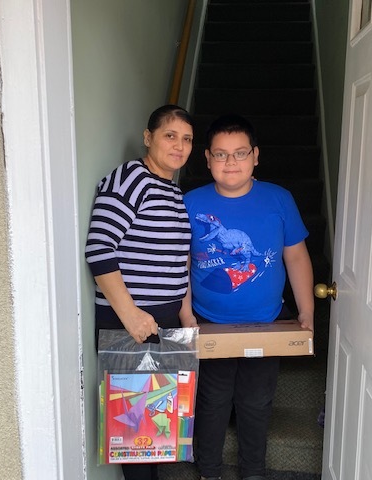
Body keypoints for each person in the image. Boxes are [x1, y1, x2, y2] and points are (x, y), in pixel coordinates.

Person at [180, 114, 314, 480]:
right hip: (208, 321)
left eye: (240, 153)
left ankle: (252, 471)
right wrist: (186, 313)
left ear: (255, 155)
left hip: (266, 321)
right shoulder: (189, 203)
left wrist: (307, 310)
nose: (231, 162)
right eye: (220, 155)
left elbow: (296, 255)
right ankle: (208, 470)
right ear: (207, 159)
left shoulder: (278, 199)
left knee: (256, 402)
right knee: (213, 400)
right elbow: (181, 263)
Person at [85, 104, 194, 480]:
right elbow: (99, 250)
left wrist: (186, 313)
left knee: (157, 425)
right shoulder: (129, 179)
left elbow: (178, 259)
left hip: (163, 320)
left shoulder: (171, 190)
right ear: (148, 138)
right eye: (170, 135)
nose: (179, 146)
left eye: (187, 139)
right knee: (134, 431)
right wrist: (131, 315)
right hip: (131, 320)